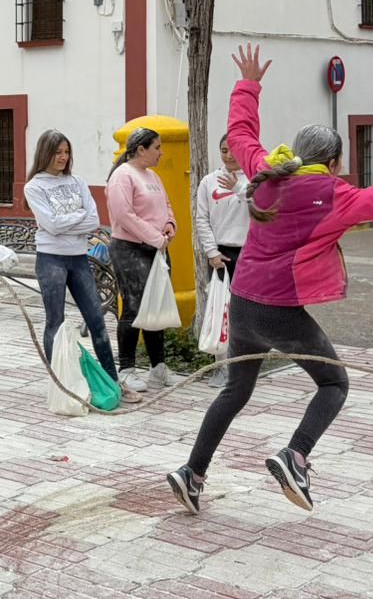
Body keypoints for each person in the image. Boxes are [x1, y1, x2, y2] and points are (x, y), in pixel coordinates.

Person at [167, 45, 373, 517]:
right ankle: (295, 455)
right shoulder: (336, 195)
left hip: (243, 298)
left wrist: (248, 83)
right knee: (334, 383)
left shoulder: (264, 171)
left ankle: (191, 473)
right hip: (281, 309)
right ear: (336, 161)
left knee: (235, 390)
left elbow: (241, 132)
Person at [23, 130, 140, 404]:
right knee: (56, 322)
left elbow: (93, 221)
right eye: (58, 152)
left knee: (97, 321)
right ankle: (61, 385)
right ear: (45, 153)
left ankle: (113, 383)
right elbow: (50, 225)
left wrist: (67, 221)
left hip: (79, 258)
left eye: (66, 152)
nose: (63, 157)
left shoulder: (77, 182)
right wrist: (76, 219)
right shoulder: (34, 186)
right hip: (50, 259)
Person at [106, 127, 185, 395]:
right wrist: (154, 236)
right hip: (130, 249)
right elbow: (124, 215)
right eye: (157, 148)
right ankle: (126, 369)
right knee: (133, 307)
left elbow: (167, 205)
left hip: (156, 248)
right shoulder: (122, 176)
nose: (161, 153)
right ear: (141, 150)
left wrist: (170, 225)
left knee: (157, 306)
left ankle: (158, 368)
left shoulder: (153, 176)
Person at [192, 136, 251, 390]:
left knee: (246, 313)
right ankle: (220, 366)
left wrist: (239, 188)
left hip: (249, 254)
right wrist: (212, 252)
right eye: (224, 150)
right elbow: (201, 219)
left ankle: (243, 367)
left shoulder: (253, 180)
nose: (228, 156)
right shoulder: (208, 182)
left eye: (233, 150)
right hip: (220, 256)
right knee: (220, 311)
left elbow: (262, 209)